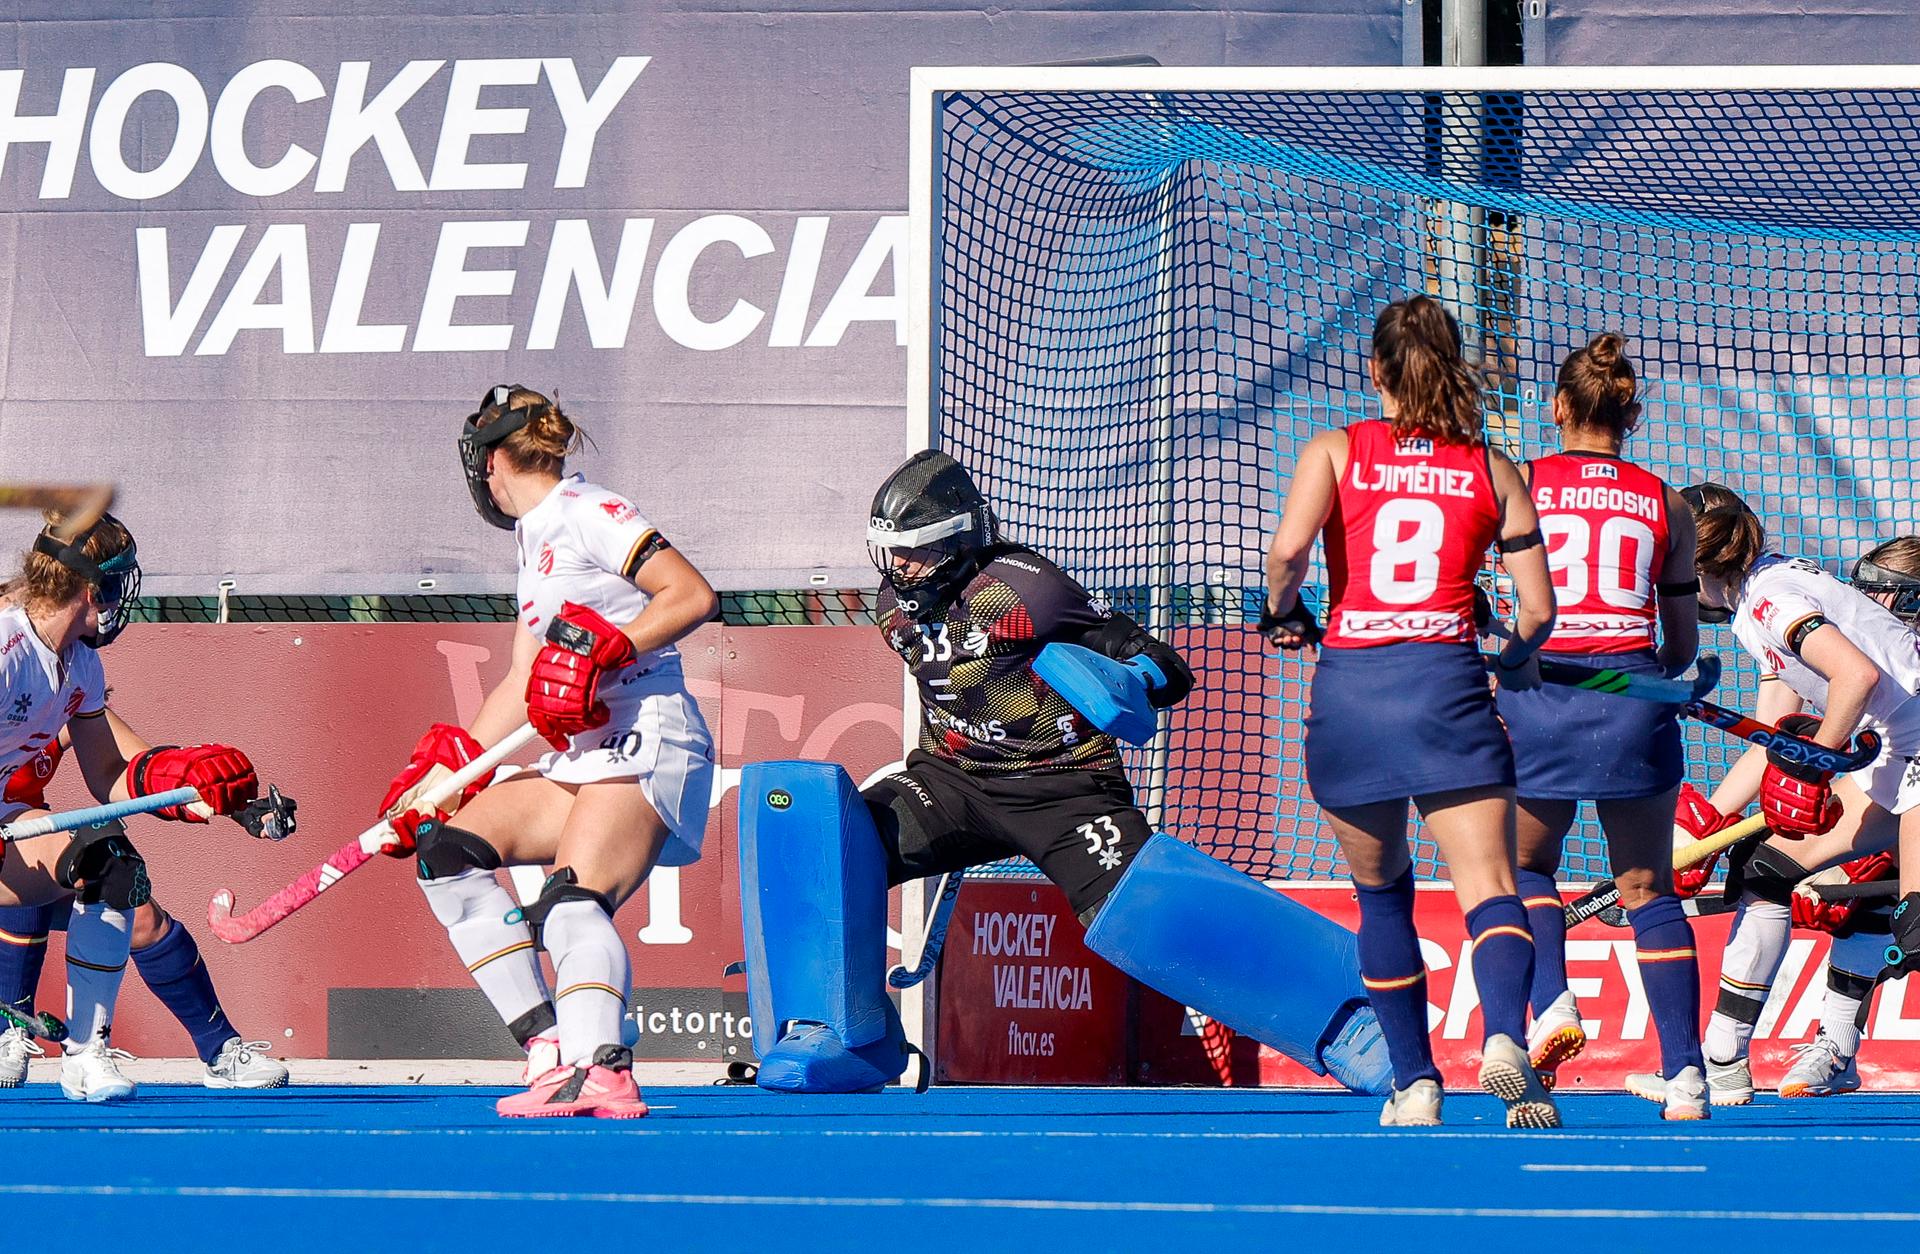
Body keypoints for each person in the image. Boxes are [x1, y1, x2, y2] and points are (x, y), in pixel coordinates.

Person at [733, 446, 1395, 1101]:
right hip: (950, 785)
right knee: (824, 836)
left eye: (916, 551)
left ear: (961, 542)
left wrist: (1130, 679)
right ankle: (845, 1038)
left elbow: (1163, 664)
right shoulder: (893, 606)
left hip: (1064, 789)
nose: (900, 568)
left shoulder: (1024, 590)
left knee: (1145, 909)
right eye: (890, 553)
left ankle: (1352, 1022)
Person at [1261, 294, 1560, 1128]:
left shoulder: (1334, 449)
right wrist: (1511, 656)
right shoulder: (1492, 467)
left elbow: (1287, 554)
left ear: (1375, 370)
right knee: (1491, 886)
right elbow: (1537, 611)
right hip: (1446, 690)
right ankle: (1505, 1038)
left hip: (1351, 694)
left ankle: (1415, 1083)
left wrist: (1285, 611)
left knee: (1382, 894)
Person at [378, 385, 716, 1119]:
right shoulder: (534, 540)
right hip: (581, 754)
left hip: (645, 737)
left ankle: (604, 1071)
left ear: (493, 460)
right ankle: (548, 1050)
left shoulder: (588, 511)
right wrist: (447, 775)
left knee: (570, 904)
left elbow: (689, 594)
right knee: (446, 850)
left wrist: (607, 649)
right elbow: (521, 679)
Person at [1488, 334, 1706, 1118]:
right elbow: (1679, 646)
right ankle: (1685, 1074)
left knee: (1528, 868)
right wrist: (1659, 671)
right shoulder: (1668, 501)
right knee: (1648, 888)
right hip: (1633, 699)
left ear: (1556, 408)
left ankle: (1553, 1004)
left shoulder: (1519, 482)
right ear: (1633, 415)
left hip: (1539, 696)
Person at [0, 512, 268, 1101]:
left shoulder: (81, 666)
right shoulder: (6, 648)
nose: (123, 600)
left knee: (112, 864)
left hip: (6, 823)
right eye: (117, 585)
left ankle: (85, 1054)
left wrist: (192, 782)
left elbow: (110, 774)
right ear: (90, 588)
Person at [1676, 489, 1920, 1106]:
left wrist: (1817, 770)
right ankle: (1742, 1053)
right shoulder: (1762, 596)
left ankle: (1827, 1041)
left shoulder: (1771, 601)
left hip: (1913, 749)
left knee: (1915, 930)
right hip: (1896, 753)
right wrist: (1711, 824)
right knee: (1770, 869)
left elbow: (1856, 678)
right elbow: (1773, 738)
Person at [0, 712, 290, 1090]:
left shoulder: (65, 691)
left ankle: (220, 1051)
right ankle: (10, 1032)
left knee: (135, 906)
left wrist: (236, 805)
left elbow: (131, 771)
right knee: (31, 853)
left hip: (16, 834)